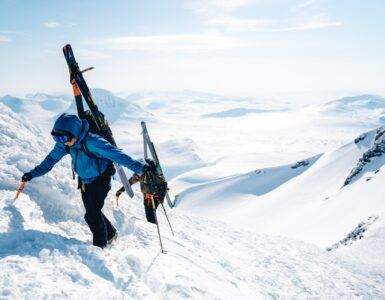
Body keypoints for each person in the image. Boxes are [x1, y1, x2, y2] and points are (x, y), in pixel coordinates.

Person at [21, 113, 146, 248]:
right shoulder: (66, 143)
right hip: (84, 181)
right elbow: (51, 160)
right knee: (93, 212)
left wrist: (140, 168)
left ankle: (99, 247)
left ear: (74, 133)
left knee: (92, 215)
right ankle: (110, 234)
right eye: (56, 138)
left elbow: (117, 155)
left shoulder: (93, 142)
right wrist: (32, 174)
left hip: (101, 180)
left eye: (63, 137)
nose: (61, 141)